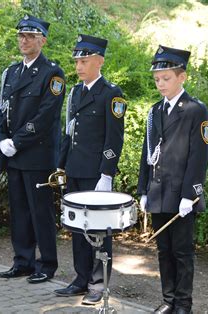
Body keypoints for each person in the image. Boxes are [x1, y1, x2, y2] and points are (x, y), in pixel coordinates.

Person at [0, 14, 65, 284]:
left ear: (42, 40)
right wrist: (1, 140)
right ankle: (22, 261)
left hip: (36, 155)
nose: (24, 40)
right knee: (19, 211)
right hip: (12, 154)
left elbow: (46, 117)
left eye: (30, 36)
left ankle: (46, 264)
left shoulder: (52, 73)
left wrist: (17, 141)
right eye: (21, 35)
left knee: (40, 212)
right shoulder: (10, 73)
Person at [53, 34, 126, 305]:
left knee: (97, 232)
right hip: (74, 168)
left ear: (99, 61)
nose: (79, 66)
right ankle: (80, 278)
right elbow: (68, 133)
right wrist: (61, 167)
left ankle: (98, 284)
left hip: (95, 174)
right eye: (77, 61)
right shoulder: (75, 92)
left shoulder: (111, 94)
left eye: (84, 61)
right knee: (76, 227)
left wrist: (106, 174)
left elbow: (114, 137)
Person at [137, 45, 208, 314]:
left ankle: (183, 304)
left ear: (182, 77)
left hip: (181, 195)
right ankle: (168, 300)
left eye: (166, 78)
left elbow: (199, 157)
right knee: (163, 251)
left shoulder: (195, 110)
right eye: (157, 79)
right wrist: (143, 189)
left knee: (182, 252)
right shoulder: (154, 111)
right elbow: (147, 152)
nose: (160, 84)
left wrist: (190, 195)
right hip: (158, 191)